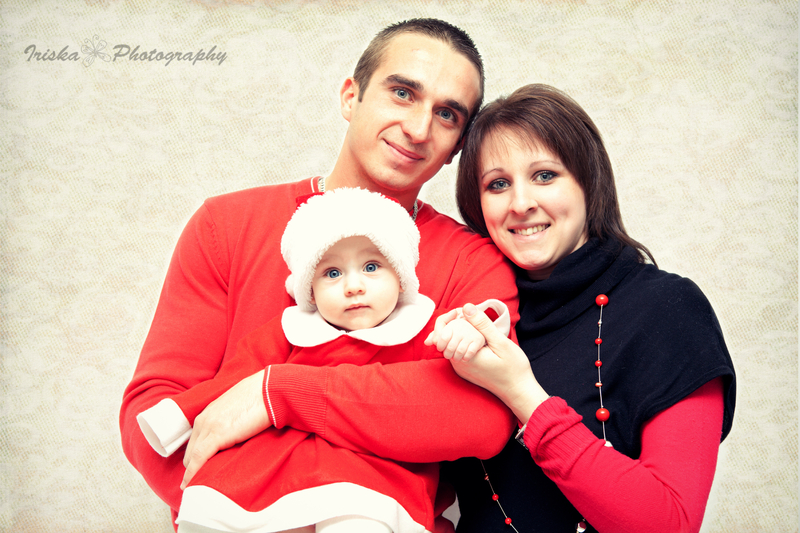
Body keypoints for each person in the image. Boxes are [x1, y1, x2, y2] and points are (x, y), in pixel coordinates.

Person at [119, 18, 519, 533]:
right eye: (402, 93)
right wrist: (244, 510)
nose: (419, 129)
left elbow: (481, 417)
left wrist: (278, 392)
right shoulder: (226, 225)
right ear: (351, 96)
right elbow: (154, 414)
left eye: (446, 114)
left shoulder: (473, 260)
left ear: (457, 146)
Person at [430, 84, 736, 533]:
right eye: (497, 184)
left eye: (545, 175)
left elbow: (669, 523)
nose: (521, 203)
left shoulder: (669, 309)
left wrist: (522, 393)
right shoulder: (471, 319)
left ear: (588, 182)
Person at [136, 188, 511, 533]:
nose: (353, 286)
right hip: (285, 477)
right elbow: (228, 392)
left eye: (371, 267)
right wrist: (175, 420)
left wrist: (469, 333)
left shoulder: (421, 327)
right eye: (332, 273)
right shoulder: (288, 332)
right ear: (310, 292)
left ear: (400, 278)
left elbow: (469, 376)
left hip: (375, 482)